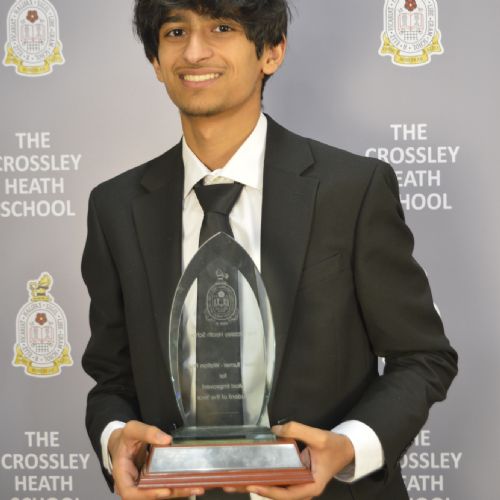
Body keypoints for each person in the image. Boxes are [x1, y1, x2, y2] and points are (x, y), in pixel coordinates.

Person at [81, 1, 458, 499]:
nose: (194, 52)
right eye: (175, 32)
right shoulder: (116, 207)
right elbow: (111, 379)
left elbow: (423, 356)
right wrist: (115, 440)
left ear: (272, 52)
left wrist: (346, 448)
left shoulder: (352, 190)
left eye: (221, 27)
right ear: (156, 61)